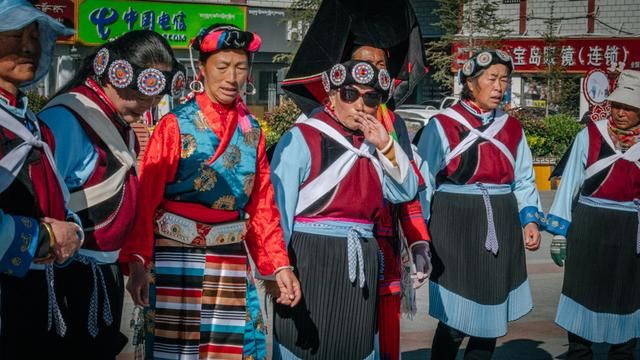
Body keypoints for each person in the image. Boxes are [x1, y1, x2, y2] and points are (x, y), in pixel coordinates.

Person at [119, 23, 301, 360]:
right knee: (176, 352)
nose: (233, 77)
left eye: (241, 67)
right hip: (176, 260)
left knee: (234, 349)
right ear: (201, 69)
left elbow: (262, 206)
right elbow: (146, 200)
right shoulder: (174, 125)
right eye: (222, 66)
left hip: (230, 256)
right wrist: (139, 263)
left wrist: (279, 266)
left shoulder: (252, 131)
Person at [37, 30, 185, 358]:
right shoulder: (65, 119)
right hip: (65, 278)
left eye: (155, 99)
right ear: (114, 74)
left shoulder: (119, 122)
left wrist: (133, 265)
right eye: (143, 94)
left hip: (102, 272)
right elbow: (37, 202)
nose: (148, 106)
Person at [270, 59, 417, 359]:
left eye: (371, 97)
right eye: (350, 94)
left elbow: (406, 190)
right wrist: (276, 269)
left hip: (360, 258)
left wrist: (387, 145)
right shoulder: (302, 137)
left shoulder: (377, 146)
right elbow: (276, 212)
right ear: (331, 96)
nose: (360, 105)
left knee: (353, 343)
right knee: (303, 344)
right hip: (309, 258)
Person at [414, 50, 544, 360]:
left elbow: (524, 178)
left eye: (504, 80)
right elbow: (424, 181)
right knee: (455, 318)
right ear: (471, 83)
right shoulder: (442, 125)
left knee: (490, 317)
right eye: (492, 79)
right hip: (454, 226)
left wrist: (530, 220)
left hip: (499, 223)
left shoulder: (512, 128)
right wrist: (419, 234)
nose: (500, 87)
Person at [0, 1, 84, 358]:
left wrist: (71, 231)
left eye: (35, 35)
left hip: (37, 291)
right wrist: (44, 237)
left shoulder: (31, 122)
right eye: (16, 34)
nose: (29, 46)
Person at [546, 69, 640, 359]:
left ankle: (622, 353)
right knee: (581, 293)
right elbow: (569, 186)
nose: (621, 112)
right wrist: (559, 234)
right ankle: (579, 352)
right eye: (618, 105)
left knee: (625, 297)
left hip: (629, 231)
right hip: (588, 225)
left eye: (630, 107)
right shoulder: (589, 135)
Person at [351, 45, 432, 360]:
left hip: (386, 238)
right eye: (364, 63)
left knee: (385, 326)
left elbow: (408, 186)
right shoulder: (325, 121)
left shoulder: (393, 122)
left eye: (380, 64)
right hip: (340, 244)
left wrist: (419, 241)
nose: (373, 69)